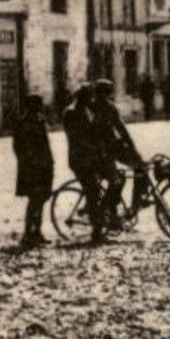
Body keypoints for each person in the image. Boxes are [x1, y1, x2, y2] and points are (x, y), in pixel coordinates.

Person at [92, 79, 146, 221]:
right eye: (104, 93)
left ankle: (136, 204)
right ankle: (105, 212)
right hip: (98, 151)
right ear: (98, 93)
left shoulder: (110, 107)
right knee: (118, 179)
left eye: (108, 93)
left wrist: (133, 150)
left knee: (141, 167)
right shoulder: (91, 109)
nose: (106, 97)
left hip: (113, 146)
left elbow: (121, 128)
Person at [61, 85, 108, 244]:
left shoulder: (86, 110)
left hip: (90, 158)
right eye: (89, 96)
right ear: (82, 97)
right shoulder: (71, 112)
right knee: (93, 191)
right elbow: (77, 138)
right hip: (80, 160)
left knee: (105, 183)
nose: (92, 99)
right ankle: (96, 231)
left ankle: (94, 212)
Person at [11, 94, 55, 249]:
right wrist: (30, 162)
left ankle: (37, 232)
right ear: (31, 106)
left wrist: (49, 163)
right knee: (34, 200)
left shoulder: (39, 120)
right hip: (32, 169)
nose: (40, 107)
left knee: (41, 199)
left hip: (44, 166)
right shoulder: (24, 123)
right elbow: (19, 148)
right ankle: (28, 233)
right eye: (37, 104)